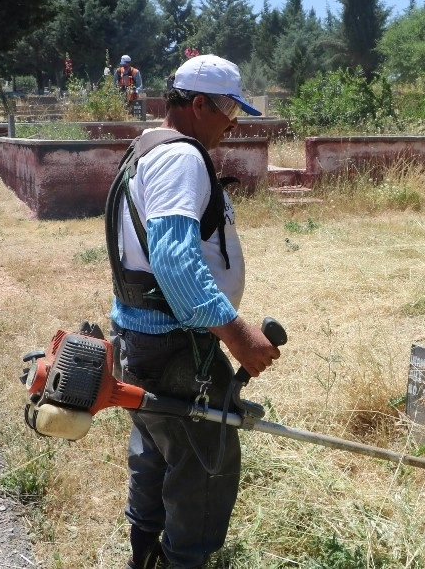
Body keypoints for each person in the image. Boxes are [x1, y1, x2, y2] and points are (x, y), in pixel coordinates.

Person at [105, 53, 279, 569]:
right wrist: (238, 334)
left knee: (155, 450)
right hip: (179, 347)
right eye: (228, 110)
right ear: (198, 103)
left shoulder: (146, 148)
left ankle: (147, 556)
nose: (233, 122)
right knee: (204, 466)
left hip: (140, 337)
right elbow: (175, 261)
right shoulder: (182, 157)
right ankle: (182, 559)